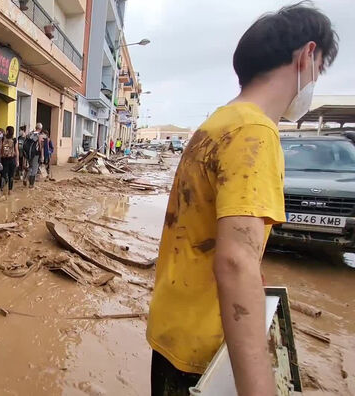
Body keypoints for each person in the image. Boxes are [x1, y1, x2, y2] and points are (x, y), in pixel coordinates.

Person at [146, 4, 338, 395]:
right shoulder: (254, 133)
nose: (315, 78)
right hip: (205, 353)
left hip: (172, 333)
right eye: (320, 68)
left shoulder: (216, 123)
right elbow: (236, 262)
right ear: (307, 56)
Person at [23, 123, 43, 188]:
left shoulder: (30, 134)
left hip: (28, 154)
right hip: (35, 154)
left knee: (30, 167)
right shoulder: (39, 136)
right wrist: (42, 156)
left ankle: (25, 178)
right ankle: (31, 185)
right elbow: (40, 147)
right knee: (34, 169)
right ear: (40, 129)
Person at [0, 126, 18, 193]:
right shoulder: (14, 139)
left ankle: (1, 189)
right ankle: (10, 190)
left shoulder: (2, 139)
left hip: (4, 159)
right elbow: (16, 150)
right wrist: (17, 160)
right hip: (12, 159)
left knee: (3, 174)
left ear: (7, 131)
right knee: (11, 175)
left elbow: (0, 149)